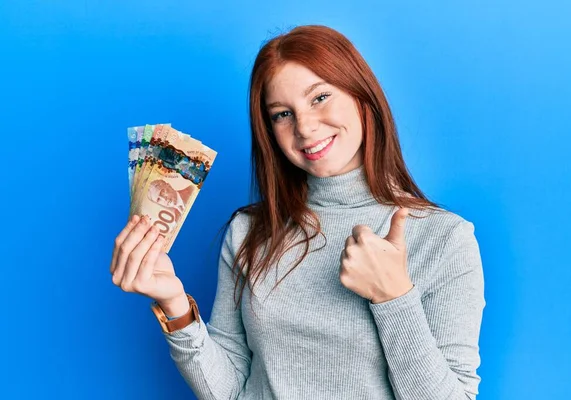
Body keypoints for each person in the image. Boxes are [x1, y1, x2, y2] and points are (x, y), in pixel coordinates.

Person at [110, 24, 485, 400]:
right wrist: (175, 307)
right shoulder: (249, 231)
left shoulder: (445, 238)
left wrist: (393, 297)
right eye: (282, 114)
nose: (304, 127)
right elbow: (230, 392)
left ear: (362, 96)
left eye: (320, 97)